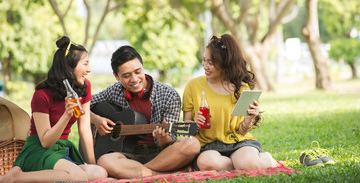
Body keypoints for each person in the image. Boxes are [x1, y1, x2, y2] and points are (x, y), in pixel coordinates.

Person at [0, 36, 107, 183]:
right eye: (85, 64)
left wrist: (91, 163)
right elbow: (45, 142)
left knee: (99, 173)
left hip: (62, 149)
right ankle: (16, 177)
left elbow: (85, 130)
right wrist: (66, 115)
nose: (89, 69)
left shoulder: (84, 87)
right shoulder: (41, 95)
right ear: (70, 66)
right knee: (78, 177)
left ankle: (53, 175)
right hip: (40, 150)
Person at [90, 45, 200, 179]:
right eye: (126, 75)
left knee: (192, 144)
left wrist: (163, 139)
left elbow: (171, 141)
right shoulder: (114, 90)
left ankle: (141, 172)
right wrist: (95, 119)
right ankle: (161, 175)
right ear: (116, 76)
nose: (134, 79)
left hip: (161, 154)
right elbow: (83, 104)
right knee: (104, 161)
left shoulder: (168, 94)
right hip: (127, 155)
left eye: (138, 72)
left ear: (143, 67)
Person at [182, 34, 281, 171]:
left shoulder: (241, 88)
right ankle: (238, 164)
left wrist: (249, 119)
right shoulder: (193, 86)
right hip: (207, 146)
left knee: (250, 165)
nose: (205, 66)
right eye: (204, 60)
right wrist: (194, 124)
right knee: (206, 164)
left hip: (238, 143)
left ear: (225, 64)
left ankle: (266, 159)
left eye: (211, 63)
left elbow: (242, 131)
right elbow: (186, 128)